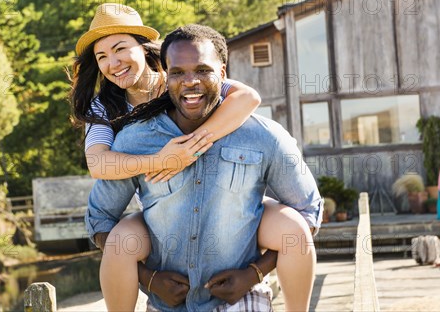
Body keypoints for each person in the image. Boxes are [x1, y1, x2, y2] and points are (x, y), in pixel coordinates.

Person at [86, 24, 323, 311]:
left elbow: (310, 210)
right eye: (178, 73)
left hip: (242, 296)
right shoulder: (127, 131)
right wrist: (148, 279)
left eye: (202, 70)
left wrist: (254, 273)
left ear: (222, 74)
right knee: (122, 237)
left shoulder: (262, 135)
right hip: (167, 298)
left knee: (292, 225)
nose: (189, 81)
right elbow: (99, 213)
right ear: (167, 74)